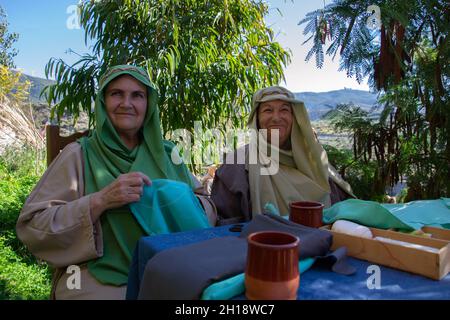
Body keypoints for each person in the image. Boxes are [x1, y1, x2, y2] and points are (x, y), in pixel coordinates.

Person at [16, 65, 206, 299]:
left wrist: (175, 198)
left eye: (137, 95)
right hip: (97, 274)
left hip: (171, 269)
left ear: (149, 105)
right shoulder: (77, 155)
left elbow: (205, 207)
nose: (127, 103)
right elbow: (33, 226)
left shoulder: (168, 155)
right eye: (116, 93)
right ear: (103, 101)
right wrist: (100, 200)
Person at [211, 86, 354, 225]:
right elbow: (227, 227)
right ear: (257, 120)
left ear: (294, 117)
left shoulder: (315, 162)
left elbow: (341, 213)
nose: (276, 117)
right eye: (268, 110)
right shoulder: (236, 165)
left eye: (284, 110)